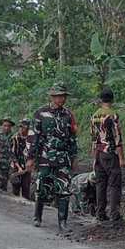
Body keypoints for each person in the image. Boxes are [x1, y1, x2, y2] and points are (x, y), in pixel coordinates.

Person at [27, 83, 78, 231]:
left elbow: (72, 138)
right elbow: (33, 137)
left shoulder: (68, 115)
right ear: (52, 96)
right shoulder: (40, 113)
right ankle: (37, 216)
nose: (61, 99)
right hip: (45, 158)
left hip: (63, 159)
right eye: (58, 96)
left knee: (64, 189)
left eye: (63, 96)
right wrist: (30, 158)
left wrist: (74, 157)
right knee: (42, 187)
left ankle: (63, 222)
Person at [90, 87, 125, 221]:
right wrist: (121, 158)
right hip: (110, 153)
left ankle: (100, 213)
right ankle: (114, 214)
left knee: (100, 184)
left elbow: (93, 138)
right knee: (114, 184)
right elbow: (118, 138)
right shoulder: (112, 115)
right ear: (112, 99)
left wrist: (94, 158)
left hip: (99, 153)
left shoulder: (94, 116)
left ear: (100, 100)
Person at [10, 119, 33, 199]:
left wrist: (31, 164)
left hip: (27, 168)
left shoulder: (32, 139)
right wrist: (18, 167)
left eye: (23, 127)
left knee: (26, 190)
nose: (21, 129)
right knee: (15, 189)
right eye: (20, 127)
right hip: (16, 167)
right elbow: (12, 154)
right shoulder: (15, 138)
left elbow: (34, 153)